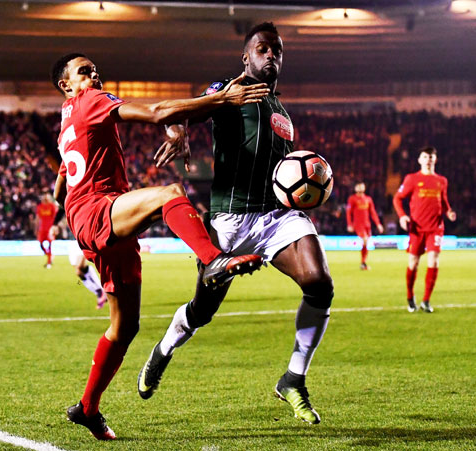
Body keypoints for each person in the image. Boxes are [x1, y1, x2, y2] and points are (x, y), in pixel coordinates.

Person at [50, 52, 268, 440]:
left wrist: (172, 128)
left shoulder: (68, 118)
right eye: (85, 71)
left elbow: (64, 175)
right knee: (169, 193)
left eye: (95, 68)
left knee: (125, 327)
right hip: (98, 209)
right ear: (67, 85)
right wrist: (220, 100)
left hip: (93, 216)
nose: (94, 73)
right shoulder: (91, 100)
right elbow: (156, 110)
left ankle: (87, 408)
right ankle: (214, 260)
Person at [137, 22, 334, 426]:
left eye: (277, 50)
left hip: (277, 217)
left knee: (320, 284)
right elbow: (184, 111)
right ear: (246, 57)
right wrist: (177, 131)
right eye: (263, 49)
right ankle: (164, 350)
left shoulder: (281, 111)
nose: (271, 56)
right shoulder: (225, 90)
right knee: (202, 311)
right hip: (230, 220)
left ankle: (293, 379)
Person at [393, 146, 456, 313]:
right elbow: (397, 198)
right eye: (425, 157)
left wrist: (448, 211)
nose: (428, 160)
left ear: (435, 160)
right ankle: (410, 295)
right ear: (419, 160)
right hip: (417, 228)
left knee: (434, 260)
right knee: (413, 263)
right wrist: (402, 216)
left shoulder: (441, 181)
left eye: (431, 157)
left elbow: (443, 201)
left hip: (436, 227)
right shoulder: (412, 179)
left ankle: (426, 300)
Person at [346, 182, 384, 270]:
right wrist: (349, 224)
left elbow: (373, 212)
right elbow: (348, 213)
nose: (360, 188)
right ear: (356, 188)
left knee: (366, 243)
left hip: (367, 225)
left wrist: (378, 224)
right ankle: (363, 263)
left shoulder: (368, 199)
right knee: (365, 240)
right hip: (358, 225)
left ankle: (363, 262)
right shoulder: (352, 199)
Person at [67, 239, 108, 309]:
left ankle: (100, 293)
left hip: (79, 241)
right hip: (71, 242)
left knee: (79, 268)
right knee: (78, 271)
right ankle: (100, 293)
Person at [36, 194, 58, 269]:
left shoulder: (52, 206)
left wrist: (55, 227)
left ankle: (49, 262)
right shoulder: (40, 206)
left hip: (50, 229)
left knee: (50, 244)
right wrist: (36, 228)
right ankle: (49, 255)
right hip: (42, 229)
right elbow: (38, 218)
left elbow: (55, 217)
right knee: (41, 244)